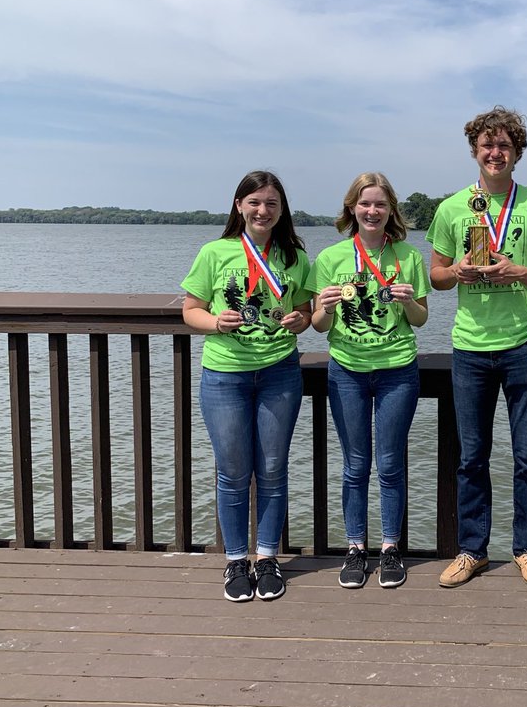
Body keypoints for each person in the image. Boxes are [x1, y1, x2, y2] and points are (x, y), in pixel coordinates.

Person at [428, 106, 527, 589]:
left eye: (504, 146)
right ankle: (472, 550)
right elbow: (436, 277)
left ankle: (526, 549)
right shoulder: (451, 208)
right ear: (475, 151)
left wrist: (518, 271)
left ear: (517, 152)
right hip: (469, 349)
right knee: (472, 457)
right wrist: (458, 272)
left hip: (523, 347)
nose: (495, 153)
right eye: (487, 146)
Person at [181, 171, 313, 602]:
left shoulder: (293, 255)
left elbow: (303, 312)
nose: (262, 210)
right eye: (254, 202)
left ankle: (267, 556)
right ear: (239, 205)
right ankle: (236, 560)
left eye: (271, 203)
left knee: (273, 470)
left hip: (279, 372)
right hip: (224, 376)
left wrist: (301, 320)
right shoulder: (215, 252)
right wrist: (216, 322)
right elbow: (191, 310)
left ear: (281, 210)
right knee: (233, 472)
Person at [308, 173, 430, 589]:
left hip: (398, 369)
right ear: (351, 210)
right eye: (364, 204)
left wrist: (410, 300)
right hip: (347, 371)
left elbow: (421, 319)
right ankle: (356, 548)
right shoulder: (330, 258)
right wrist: (322, 307)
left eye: (380, 204)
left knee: (392, 463)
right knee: (356, 465)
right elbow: (320, 327)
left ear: (391, 209)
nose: (372, 211)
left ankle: (391, 547)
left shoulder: (408, 256)